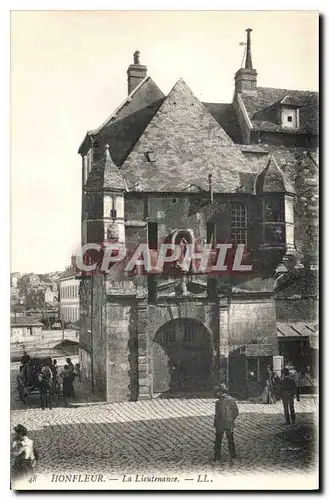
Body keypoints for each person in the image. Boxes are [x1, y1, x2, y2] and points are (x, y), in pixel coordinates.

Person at [214, 383, 239, 461]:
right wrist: (232, 419)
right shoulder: (232, 400)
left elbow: (217, 414)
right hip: (229, 423)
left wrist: (215, 423)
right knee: (230, 439)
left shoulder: (218, 402)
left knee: (218, 440)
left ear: (220, 392)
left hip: (220, 423)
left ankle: (217, 455)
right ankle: (233, 454)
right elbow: (236, 412)